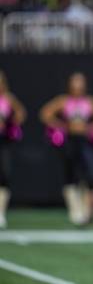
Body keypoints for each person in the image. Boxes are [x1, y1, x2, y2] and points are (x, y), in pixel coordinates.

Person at [40, 72, 93, 226]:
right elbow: (45, 113)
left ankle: (86, 211)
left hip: (85, 142)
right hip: (70, 141)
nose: (77, 87)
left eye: (80, 83)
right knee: (70, 174)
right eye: (75, 83)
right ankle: (74, 210)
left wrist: (91, 128)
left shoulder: (89, 102)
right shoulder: (64, 101)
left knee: (89, 174)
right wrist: (62, 126)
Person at [0, 70, 26, 229]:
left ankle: (1, 212)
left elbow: (21, 114)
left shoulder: (8, 98)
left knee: (4, 174)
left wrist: (9, 124)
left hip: (3, 141)